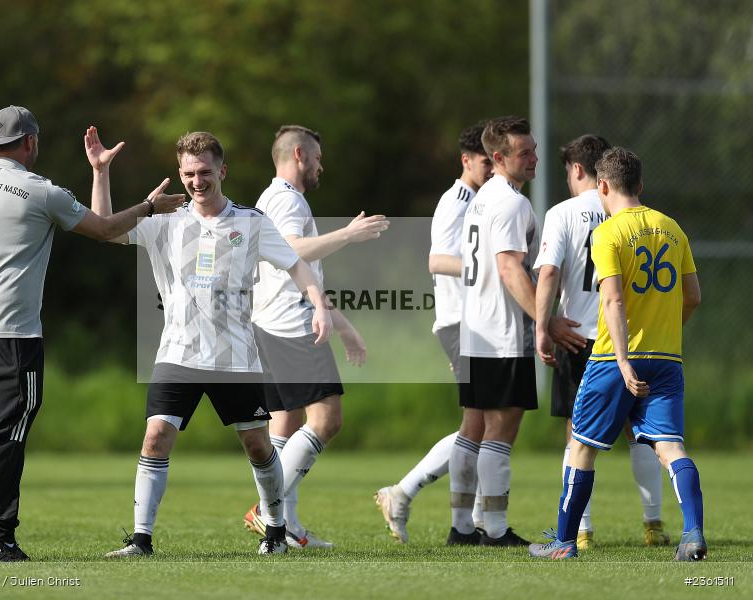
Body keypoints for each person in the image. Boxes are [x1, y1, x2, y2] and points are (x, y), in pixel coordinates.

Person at [0, 106, 183, 562]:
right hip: (14, 336)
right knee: (6, 433)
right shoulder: (41, 192)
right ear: (31, 143)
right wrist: (149, 207)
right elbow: (105, 230)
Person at [87, 128, 333, 557]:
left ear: (223, 170)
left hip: (236, 357)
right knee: (155, 438)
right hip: (178, 353)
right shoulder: (163, 219)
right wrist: (101, 172)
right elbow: (104, 229)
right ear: (179, 174)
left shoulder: (251, 222)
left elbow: (297, 265)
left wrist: (319, 306)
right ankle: (141, 540)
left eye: (204, 172)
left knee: (258, 445)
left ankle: (275, 532)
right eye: (188, 173)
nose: (196, 181)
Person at [529, 147, 705, 561]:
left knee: (582, 447)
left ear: (603, 185)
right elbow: (693, 296)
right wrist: (664, 330)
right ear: (640, 185)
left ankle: (565, 542)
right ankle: (693, 534)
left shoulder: (608, 232)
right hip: (666, 358)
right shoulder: (672, 227)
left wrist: (624, 360)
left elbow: (613, 302)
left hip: (613, 359)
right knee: (670, 447)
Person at [242, 125, 389, 549]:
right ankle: (267, 510)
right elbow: (292, 250)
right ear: (300, 155)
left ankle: (286, 526)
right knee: (326, 419)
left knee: (285, 424)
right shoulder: (288, 199)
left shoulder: (272, 198)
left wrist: (344, 327)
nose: (322, 165)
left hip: (272, 321)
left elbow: (297, 272)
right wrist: (348, 234)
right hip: (291, 325)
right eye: (319, 158)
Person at [450, 116, 585, 546]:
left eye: (533, 149)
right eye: (524, 152)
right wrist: (545, 321)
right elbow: (510, 269)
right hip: (501, 332)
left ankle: (461, 526)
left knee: (473, 426)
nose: (534, 158)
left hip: (474, 330)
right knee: (501, 429)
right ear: (498, 157)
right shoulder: (512, 203)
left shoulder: (482, 198)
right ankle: (494, 529)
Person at [374, 123, 492, 544]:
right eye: (484, 161)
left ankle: (471, 519)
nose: (492, 168)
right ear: (466, 160)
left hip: (477, 322)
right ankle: (410, 497)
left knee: (482, 423)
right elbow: (438, 260)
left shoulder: (482, 199)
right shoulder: (456, 202)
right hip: (462, 321)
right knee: (478, 422)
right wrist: (496, 270)